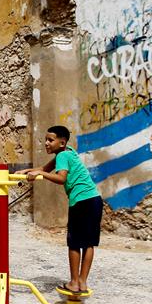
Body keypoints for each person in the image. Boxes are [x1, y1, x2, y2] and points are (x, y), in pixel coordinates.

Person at [17, 125, 103, 294]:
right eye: (46, 140)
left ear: (62, 142)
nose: (46, 143)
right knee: (88, 243)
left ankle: (73, 283)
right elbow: (44, 169)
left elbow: (60, 178)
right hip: (94, 200)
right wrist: (27, 171)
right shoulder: (68, 152)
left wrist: (39, 176)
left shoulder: (62, 155)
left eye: (51, 140)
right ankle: (82, 283)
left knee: (74, 243)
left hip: (81, 202)